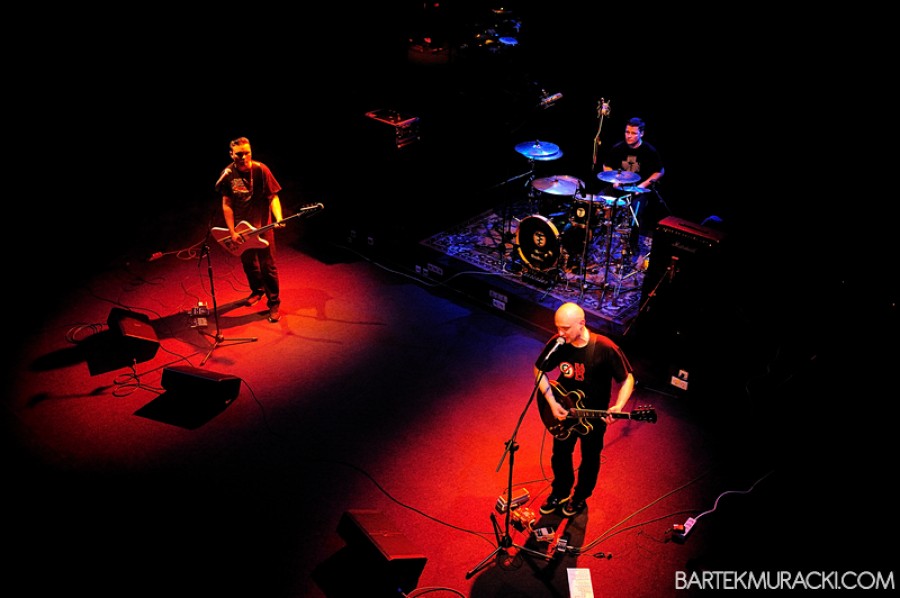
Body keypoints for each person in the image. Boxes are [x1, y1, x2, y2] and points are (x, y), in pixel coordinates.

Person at [534, 302, 635, 517]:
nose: (560, 333)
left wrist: (619, 406)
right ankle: (560, 491)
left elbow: (627, 379)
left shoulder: (604, 347)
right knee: (560, 454)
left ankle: (580, 497)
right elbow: (539, 369)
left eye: (565, 328)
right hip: (564, 410)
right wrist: (551, 402)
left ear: (582, 323)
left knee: (590, 457)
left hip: (593, 417)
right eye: (557, 327)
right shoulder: (559, 343)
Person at [215, 136, 285, 323]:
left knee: (268, 266)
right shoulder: (228, 174)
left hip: (263, 225)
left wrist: (278, 217)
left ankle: (274, 302)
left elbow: (273, 197)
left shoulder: (261, 170)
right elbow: (227, 204)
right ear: (231, 154)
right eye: (239, 154)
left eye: (247, 153)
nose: (244, 157)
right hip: (241, 228)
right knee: (249, 264)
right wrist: (232, 231)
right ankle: (257, 290)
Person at [600, 117, 666, 257]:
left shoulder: (649, 151)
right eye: (627, 132)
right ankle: (599, 237)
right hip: (618, 188)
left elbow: (659, 171)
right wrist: (613, 180)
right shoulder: (618, 148)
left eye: (633, 133)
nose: (629, 136)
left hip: (637, 190)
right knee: (598, 202)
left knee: (634, 214)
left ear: (641, 133)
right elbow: (606, 165)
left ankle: (631, 246)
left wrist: (642, 186)